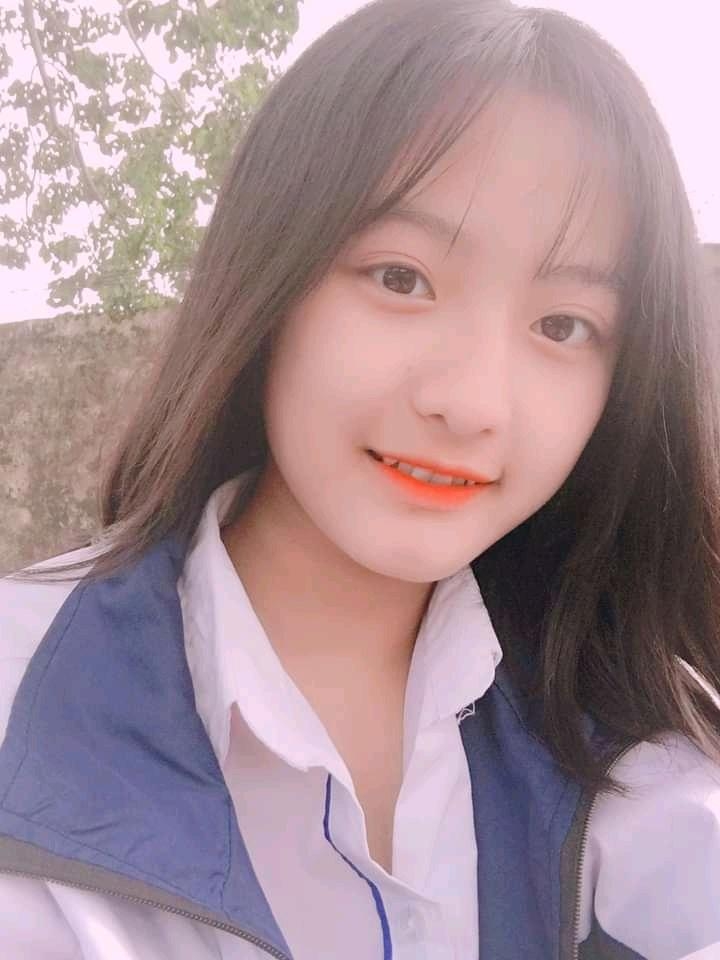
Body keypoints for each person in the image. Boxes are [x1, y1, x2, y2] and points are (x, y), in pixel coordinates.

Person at [1, 0, 719, 957]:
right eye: (400, 278)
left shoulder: (632, 718)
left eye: (563, 326)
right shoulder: (24, 692)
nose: (472, 403)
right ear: (270, 276)